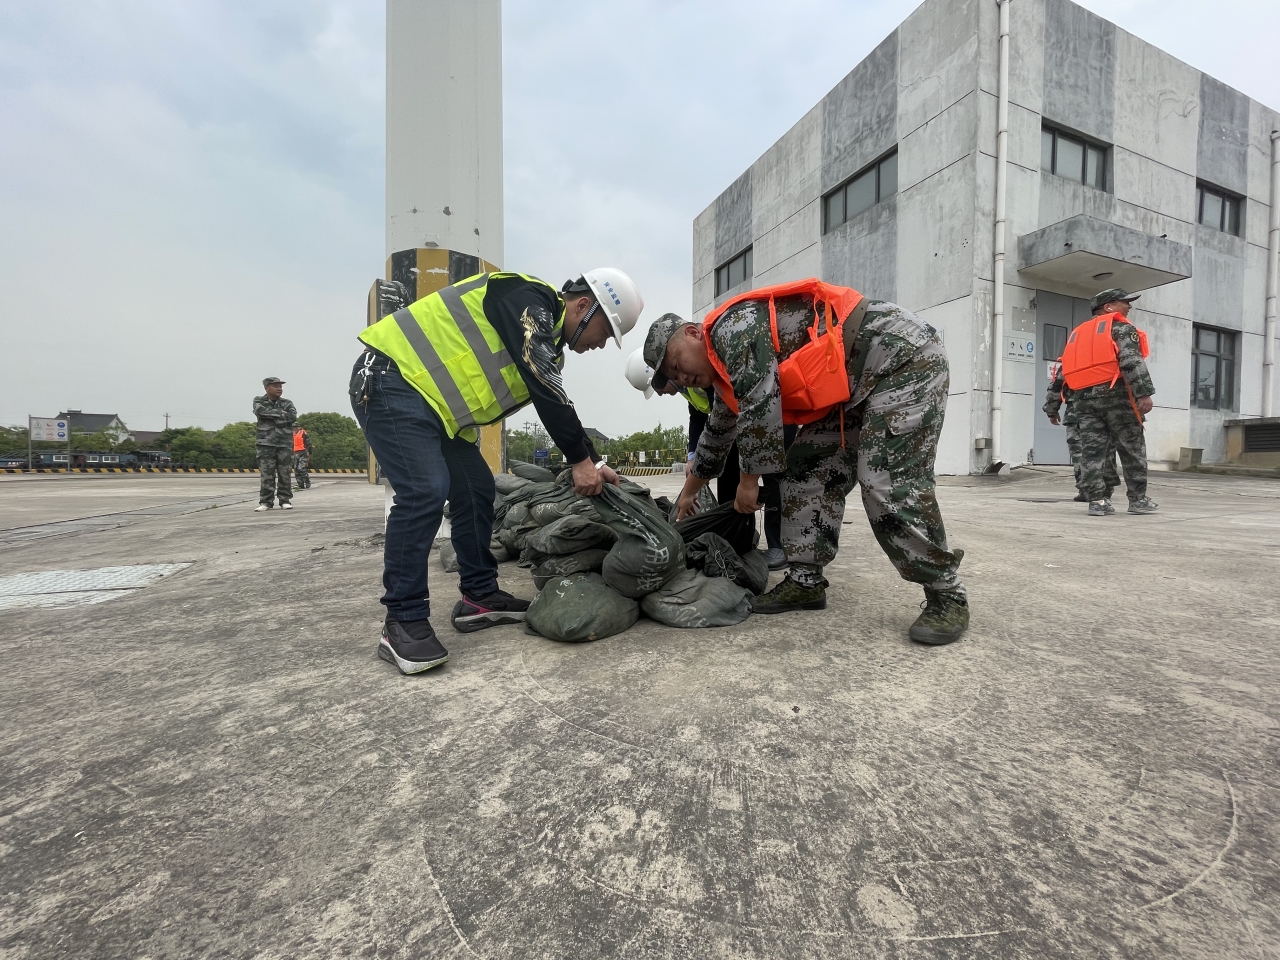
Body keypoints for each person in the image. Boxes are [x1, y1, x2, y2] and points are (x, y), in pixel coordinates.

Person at [353, 268, 643, 675]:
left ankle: (478, 597)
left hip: (435, 410)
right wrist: (581, 461)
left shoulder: (546, 341)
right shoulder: (525, 297)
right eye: (604, 331)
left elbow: (551, 390)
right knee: (425, 490)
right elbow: (544, 384)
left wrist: (593, 461)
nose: (600, 345)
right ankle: (402, 619)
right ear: (583, 305)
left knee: (476, 489)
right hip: (390, 378)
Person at [645, 280, 969, 645]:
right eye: (673, 378)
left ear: (692, 334)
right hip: (850, 390)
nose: (681, 377)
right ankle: (805, 582)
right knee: (804, 472)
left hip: (900, 359)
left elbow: (759, 404)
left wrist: (748, 482)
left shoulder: (730, 328)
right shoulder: (722, 379)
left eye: (676, 364)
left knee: (886, 482)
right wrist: (688, 496)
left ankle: (946, 592)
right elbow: (716, 438)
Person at [625, 342, 789, 570]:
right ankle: (738, 537)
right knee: (729, 482)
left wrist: (746, 479)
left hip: (770, 418)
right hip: (735, 427)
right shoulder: (689, 387)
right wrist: (693, 456)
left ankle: (778, 546)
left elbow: (728, 419)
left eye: (660, 388)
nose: (661, 394)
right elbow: (699, 418)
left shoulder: (704, 374)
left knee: (773, 477)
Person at [1058, 287, 1158, 517]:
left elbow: (1063, 372)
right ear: (1108, 307)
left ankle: (1097, 501)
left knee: (1092, 452)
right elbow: (1131, 360)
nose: (1129, 306)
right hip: (1116, 398)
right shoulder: (1121, 328)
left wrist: (1053, 405)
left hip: (1084, 401)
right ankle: (1138, 499)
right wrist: (1143, 393)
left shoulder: (1077, 334)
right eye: (1124, 302)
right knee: (1132, 448)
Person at [1043, 363, 1119, 502]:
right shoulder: (1109, 356)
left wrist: (1051, 411)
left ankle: (1087, 490)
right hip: (1106, 411)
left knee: (1079, 453)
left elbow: (1057, 386)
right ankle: (1106, 489)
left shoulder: (1072, 359)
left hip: (1076, 412)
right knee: (1105, 450)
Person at [253, 377, 296, 512]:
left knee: (285, 473)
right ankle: (266, 502)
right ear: (267, 388)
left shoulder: (287, 403)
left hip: (284, 443)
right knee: (267, 473)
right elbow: (259, 411)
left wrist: (272, 415)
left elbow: (293, 416)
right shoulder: (259, 400)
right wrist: (280, 413)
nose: (279, 389)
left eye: (280, 386)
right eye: (276, 386)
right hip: (265, 443)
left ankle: (285, 500)